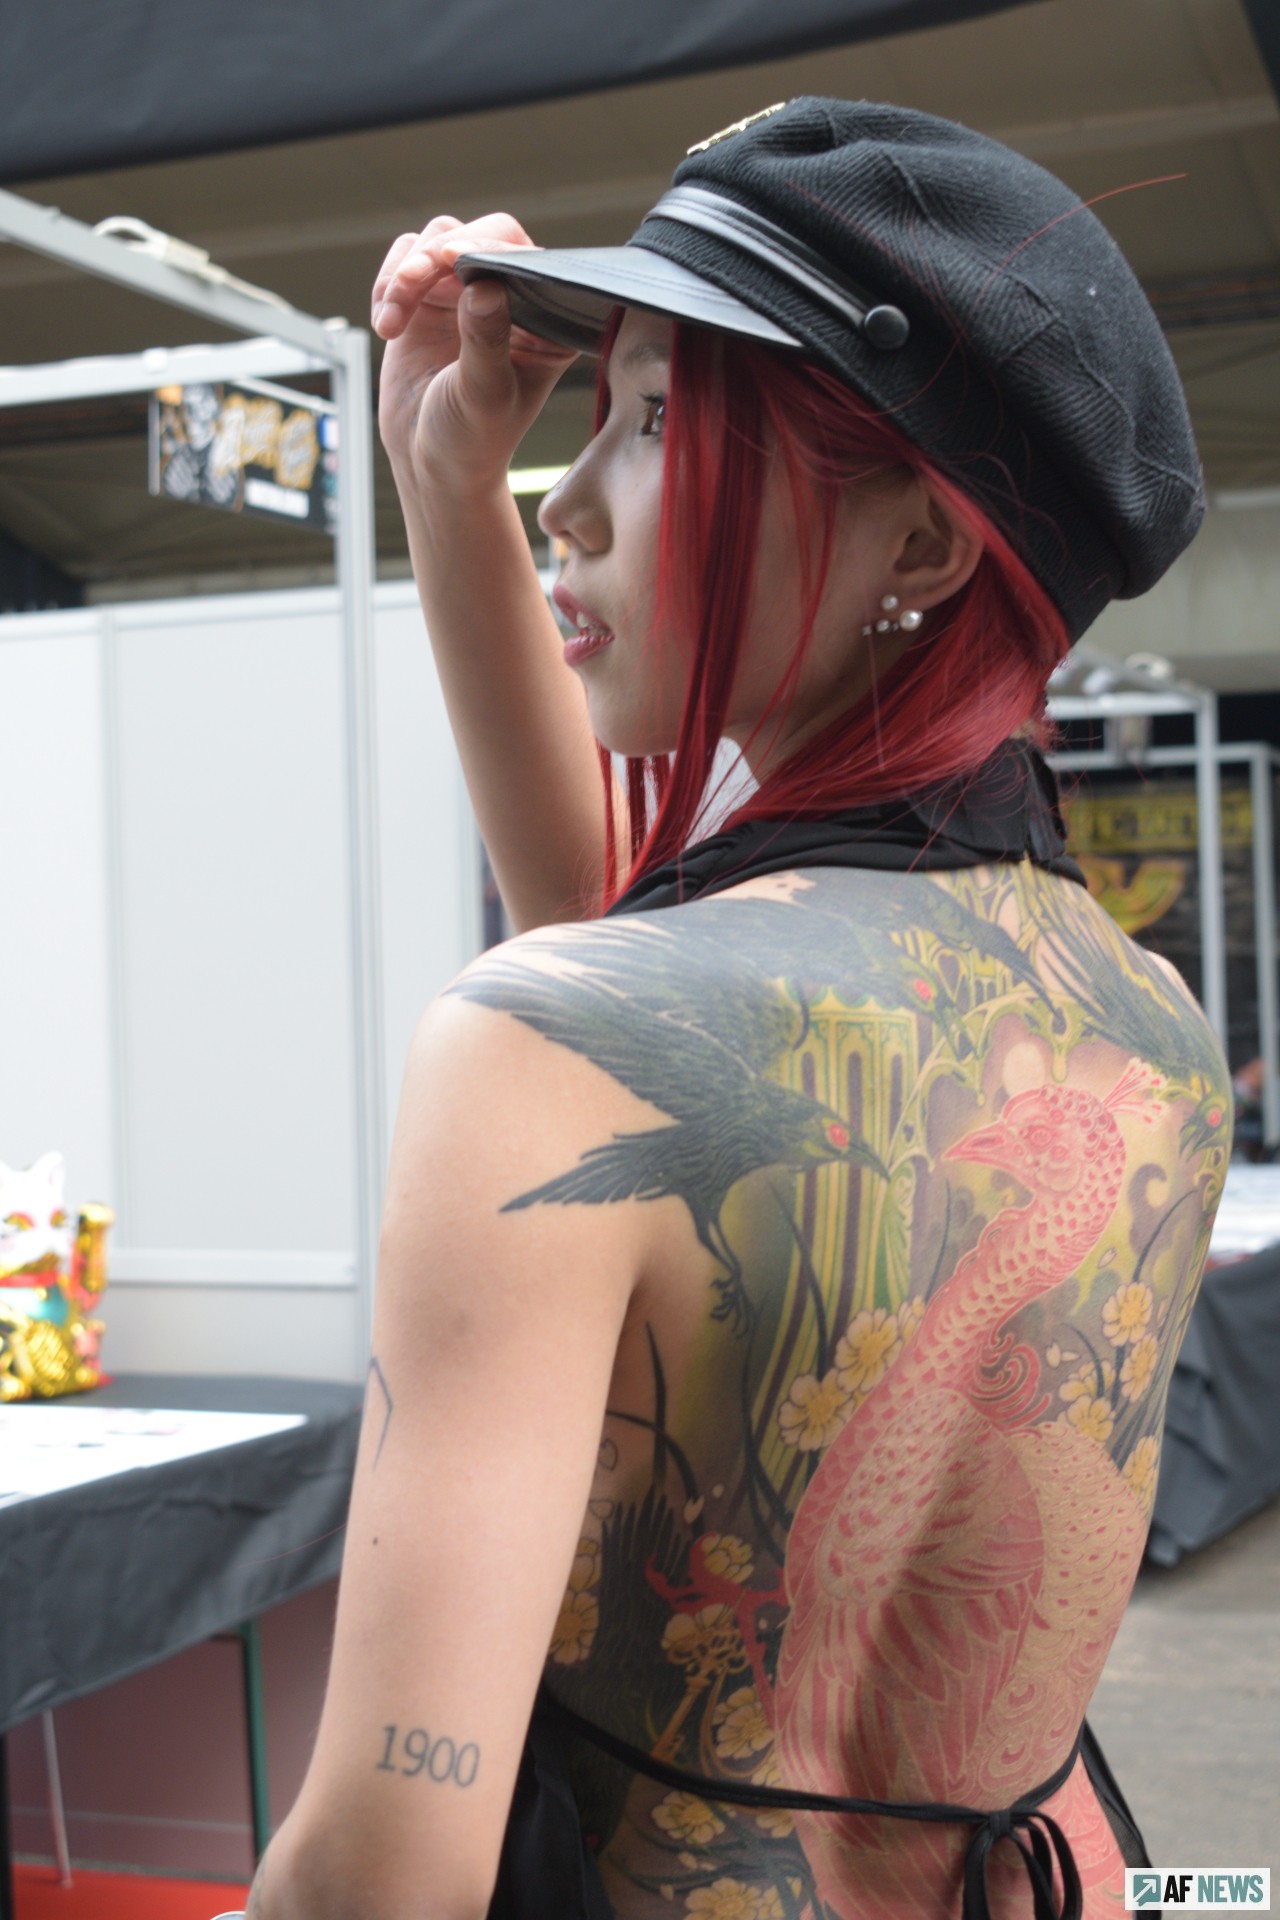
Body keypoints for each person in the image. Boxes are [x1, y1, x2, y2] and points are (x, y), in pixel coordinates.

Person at [242, 99, 1229, 1920]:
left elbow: (383, 1870)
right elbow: (635, 996)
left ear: (920, 553)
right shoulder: (1154, 1031)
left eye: (657, 422)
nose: (566, 494)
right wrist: (444, 481)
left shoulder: (544, 1050)